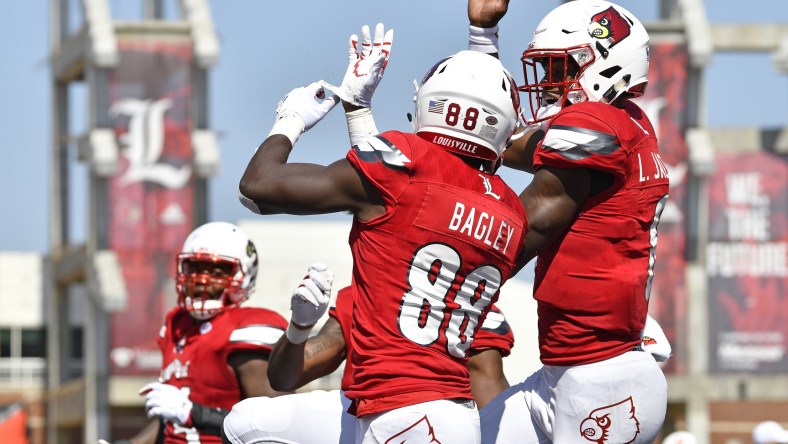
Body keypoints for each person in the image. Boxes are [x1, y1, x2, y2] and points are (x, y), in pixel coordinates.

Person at [238, 22, 526, 441]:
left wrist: (291, 119)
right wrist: (357, 111)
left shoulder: (406, 165)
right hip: (448, 411)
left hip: (403, 410)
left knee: (247, 425)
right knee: (246, 420)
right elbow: (405, 209)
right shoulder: (510, 208)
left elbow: (257, 189)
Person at [462, 1, 671, 442]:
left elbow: (528, 226)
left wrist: (459, 288)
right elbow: (501, 141)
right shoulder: (627, 124)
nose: (550, 82)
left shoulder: (597, 124)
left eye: (560, 66)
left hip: (602, 380)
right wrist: (484, 37)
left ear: (606, 63)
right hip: (566, 373)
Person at [222, 280, 516, 444]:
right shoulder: (364, 294)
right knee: (242, 422)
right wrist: (299, 328)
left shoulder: (466, 302)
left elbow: (494, 409)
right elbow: (284, 380)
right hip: (363, 417)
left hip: (438, 422)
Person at [107, 222, 291, 444]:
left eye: (216, 272)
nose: (201, 280)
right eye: (195, 268)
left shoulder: (246, 328)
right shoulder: (177, 326)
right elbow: (171, 424)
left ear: (243, 277)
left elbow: (274, 426)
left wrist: (197, 415)